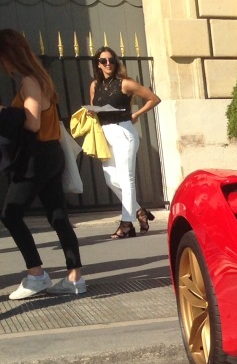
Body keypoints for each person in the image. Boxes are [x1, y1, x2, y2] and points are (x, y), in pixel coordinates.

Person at [0, 29, 86, 298]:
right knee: (58, 214)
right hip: (50, 154)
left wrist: (4, 111)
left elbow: (33, 121)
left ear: (8, 54)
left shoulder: (29, 81)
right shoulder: (42, 77)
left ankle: (36, 274)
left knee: (10, 215)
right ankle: (74, 279)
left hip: (36, 157)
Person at [88, 46, 160, 238]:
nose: (108, 63)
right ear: (98, 64)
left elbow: (153, 98)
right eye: (104, 61)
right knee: (110, 179)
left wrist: (136, 114)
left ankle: (126, 224)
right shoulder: (95, 85)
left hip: (123, 132)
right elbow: (95, 108)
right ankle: (140, 212)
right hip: (105, 134)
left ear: (116, 62)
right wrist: (91, 111)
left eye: (111, 60)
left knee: (127, 180)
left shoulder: (125, 83)